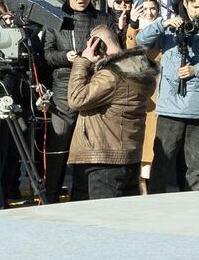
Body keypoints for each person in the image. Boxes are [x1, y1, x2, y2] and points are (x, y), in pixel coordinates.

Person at [136, 0, 199, 192]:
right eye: (196, 6)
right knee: (162, 164)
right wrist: (162, 24)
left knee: (196, 170)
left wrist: (197, 70)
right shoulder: (170, 27)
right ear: (186, 4)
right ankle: (154, 210)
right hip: (170, 108)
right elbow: (141, 41)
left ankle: (193, 214)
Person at [65, 25, 155, 199]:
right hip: (129, 156)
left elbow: (76, 99)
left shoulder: (110, 76)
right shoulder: (141, 72)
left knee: (99, 219)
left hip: (103, 159)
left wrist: (82, 62)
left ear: (96, 45)